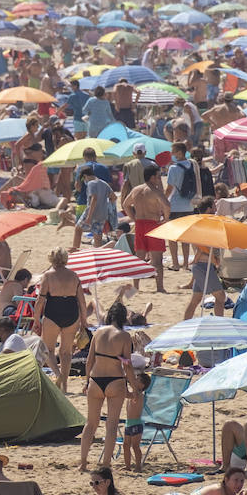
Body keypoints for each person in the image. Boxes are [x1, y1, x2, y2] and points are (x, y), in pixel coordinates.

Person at [80, 302, 138, 472]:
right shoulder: (124, 336)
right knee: (111, 425)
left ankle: (83, 462)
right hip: (115, 381)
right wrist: (134, 388)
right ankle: (106, 463)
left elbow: (89, 361)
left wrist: (86, 381)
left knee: (91, 423)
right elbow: (127, 365)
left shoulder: (98, 332)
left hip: (95, 380)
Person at [35, 247, 86, 390]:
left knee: (47, 350)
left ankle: (58, 375)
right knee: (66, 352)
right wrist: (84, 320)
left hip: (53, 313)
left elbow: (40, 300)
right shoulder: (74, 276)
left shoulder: (48, 276)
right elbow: (82, 301)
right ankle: (64, 384)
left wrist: (35, 319)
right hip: (71, 312)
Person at [122, 164, 169, 292]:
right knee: (157, 259)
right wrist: (165, 219)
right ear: (153, 177)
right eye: (158, 176)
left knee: (139, 258)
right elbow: (167, 205)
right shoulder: (155, 191)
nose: (159, 178)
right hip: (153, 224)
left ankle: (136, 287)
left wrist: (133, 217)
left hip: (140, 224)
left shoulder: (136, 189)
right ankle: (159, 287)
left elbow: (125, 204)